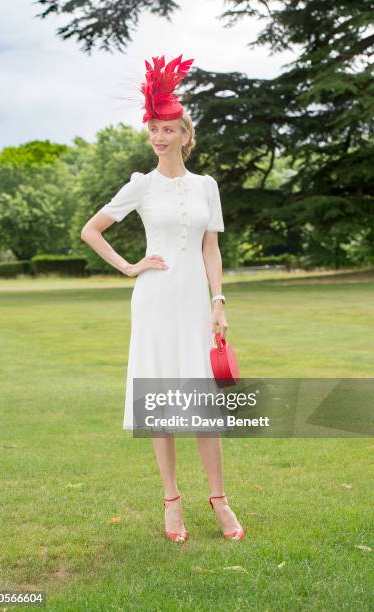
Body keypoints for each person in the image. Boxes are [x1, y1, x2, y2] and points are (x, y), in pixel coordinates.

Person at [81, 54, 245, 543]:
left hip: (195, 302)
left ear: (184, 134)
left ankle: (219, 499)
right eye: (153, 127)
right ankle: (171, 502)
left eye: (168, 128)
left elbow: (211, 247)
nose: (158, 136)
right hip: (154, 300)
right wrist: (131, 267)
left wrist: (219, 300)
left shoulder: (206, 186)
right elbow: (92, 230)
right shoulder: (140, 186)